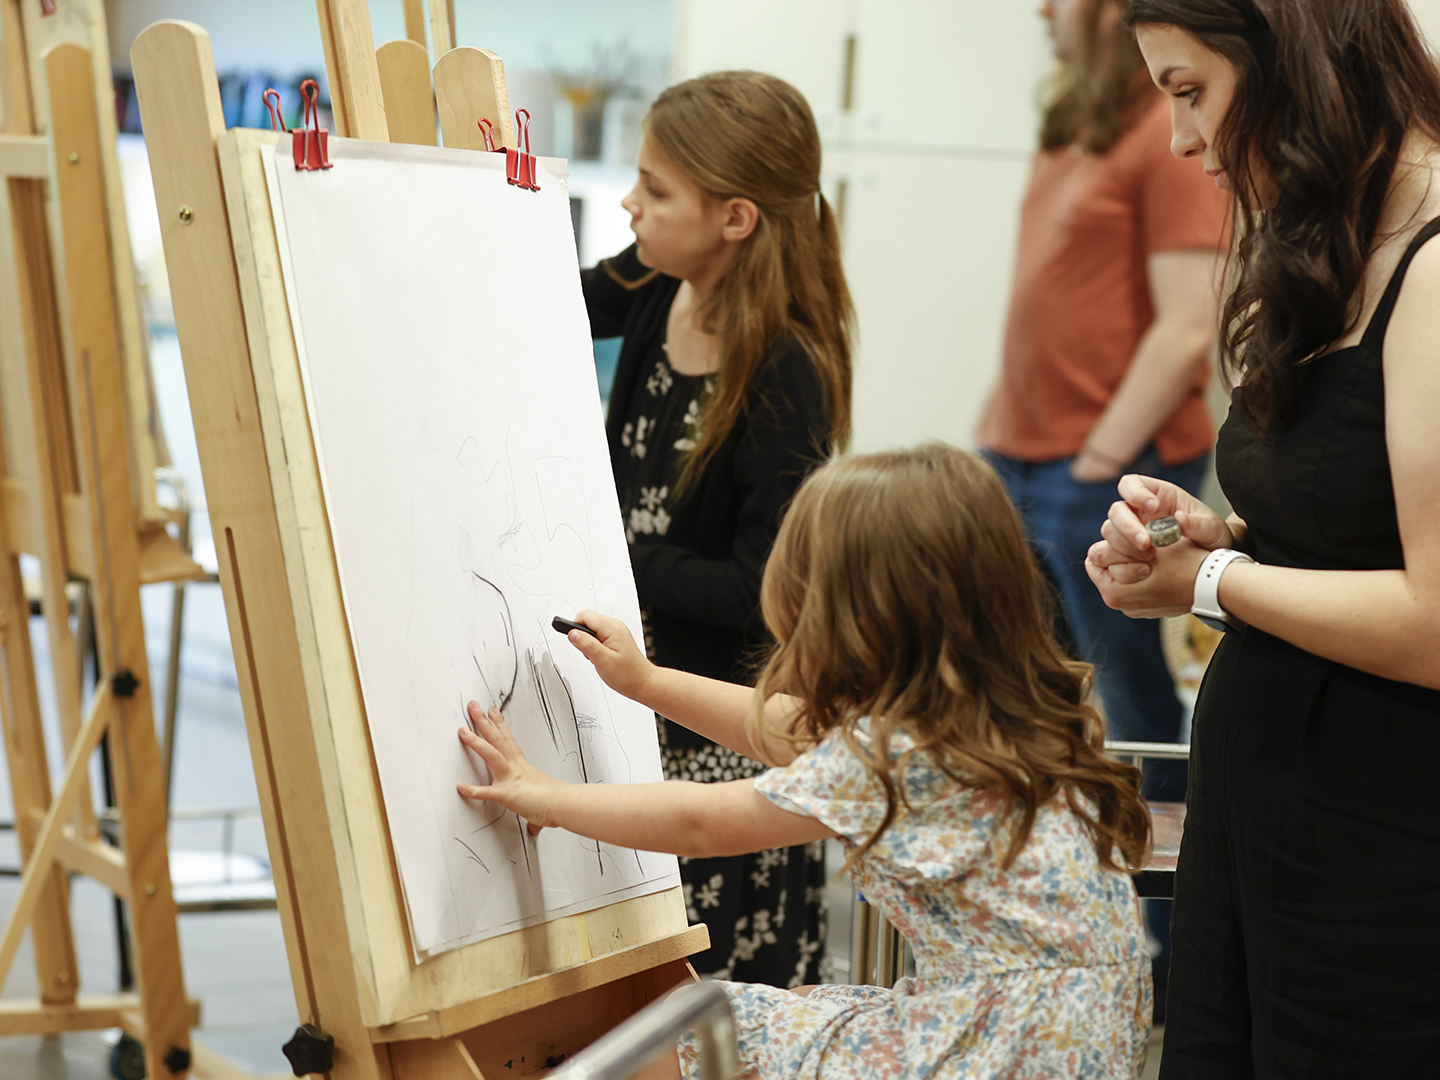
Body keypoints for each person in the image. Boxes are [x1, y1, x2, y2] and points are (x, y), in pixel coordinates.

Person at [458, 445, 1156, 1079]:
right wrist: (645, 684)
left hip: (997, 1049)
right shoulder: (994, 711)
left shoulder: (894, 753)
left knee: (693, 1036)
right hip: (1075, 1040)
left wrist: (544, 796)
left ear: (853, 614)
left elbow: (703, 824)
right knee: (759, 1014)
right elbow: (783, 730)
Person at [1086, 0, 1440, 1074]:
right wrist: (1222, 534)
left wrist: (1218, 580)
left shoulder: (1433, 261)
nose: (1183, 138)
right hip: (1260, 818)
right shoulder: (1325, 235)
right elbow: (1347, 517)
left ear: (1292, 54)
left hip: (1383, 851)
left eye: (1191, 91)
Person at [578, 71, 853, 987]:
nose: (629, 204)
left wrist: (617, 558)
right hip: (637, 702)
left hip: (721, 737)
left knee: (705, 1009)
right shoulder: (655, 282)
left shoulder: (787, 373)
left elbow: (754, 591)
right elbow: (544, 295)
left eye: (656, 191)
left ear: (735, 218)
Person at [979, 0, 1229, 803]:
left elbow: (1189, 326)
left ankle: (1163, 925)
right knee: (1025, 694)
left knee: (1132, 701)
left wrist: (1097, 460)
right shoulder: (1076, 119)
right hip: (1021, 452)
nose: (1041, 10)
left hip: (1103, 464)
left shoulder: (1167, 136)